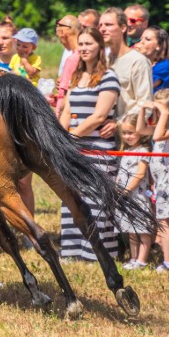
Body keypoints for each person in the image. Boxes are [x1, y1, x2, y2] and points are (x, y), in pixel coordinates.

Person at [57, 28, 120, 261]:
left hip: (98, 149)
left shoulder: (108, 77)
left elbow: (99, 116)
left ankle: (98, 254)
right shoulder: (76, 76)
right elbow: (67, 111)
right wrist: (60, 138)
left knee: (96, 203)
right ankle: (72, 251)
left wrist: (71, 137)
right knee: (72, 200)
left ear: (100, 47)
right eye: (81, 44)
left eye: (89, 44)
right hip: (73, 148)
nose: (83, 48)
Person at [137, 89, 169, 272]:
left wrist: (165, 113)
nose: (158, 112)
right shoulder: (164, 125)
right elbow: (141, 130)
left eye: (162, 108)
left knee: (164, 222)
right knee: (160, 220)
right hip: (158, 181)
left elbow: (157, 136)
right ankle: (166, 259)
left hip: (168, 180)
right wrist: (143, 110)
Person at [114, 114, 155, 270]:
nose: (127, 136)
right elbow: (121, 173)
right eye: (124, 133)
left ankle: (142, 260)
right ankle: (133, 258)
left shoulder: (143, 150)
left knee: (143, 231)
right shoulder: (126, 150)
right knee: (131, 231)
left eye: (131, 132)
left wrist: (126, 190)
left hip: (138, 197)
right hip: (126, 197)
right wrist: (117, 187)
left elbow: (140, 174)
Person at [98, 8, 152, 118]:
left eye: (108, 25)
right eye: (100, 25)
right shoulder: (102, 61)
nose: (102, 29)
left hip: (125, 132)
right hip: (100, 131)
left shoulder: (138, 61)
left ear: (123, 28)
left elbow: (145, 105)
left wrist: (118, 123)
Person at [134, 26, 169, 92]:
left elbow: (143, 86)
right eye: (141, 39)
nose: (141, 42)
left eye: (147, 39)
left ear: (158, 45)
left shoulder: (164, 66)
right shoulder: (146, 62)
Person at [52, 16, 80, 112]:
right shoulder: (81, 55)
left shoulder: (74, 58)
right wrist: (58, 99)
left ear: (62, 33)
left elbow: (68, 101)